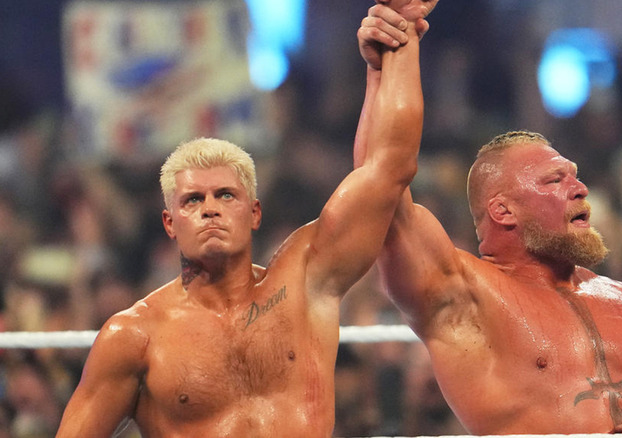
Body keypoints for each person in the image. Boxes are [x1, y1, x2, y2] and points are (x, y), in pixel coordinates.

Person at [55, 1, 436, 435]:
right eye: (192, 201)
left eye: (225, 195)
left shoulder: (304, 284)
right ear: (169, 223)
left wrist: (396, 47)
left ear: (254, 212)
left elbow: (388, 169)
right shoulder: (133, 337)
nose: (210, 208)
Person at [358, 5, 622, 435]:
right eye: (555, 179)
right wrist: (392, 58)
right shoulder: (464, 296)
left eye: (576, 176)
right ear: (503, 211)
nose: (580, 189)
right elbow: (379, 186)